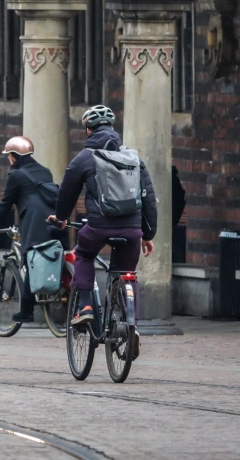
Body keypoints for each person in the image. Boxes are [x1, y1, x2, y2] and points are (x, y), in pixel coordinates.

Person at [49, 105, 157, 327]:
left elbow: (66, 194)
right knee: (127, 272)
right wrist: (147, 234)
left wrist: (61, 217)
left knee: (84, 255)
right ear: (112, 128)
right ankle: (131, 326)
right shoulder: (133, 158)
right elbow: (148, 197)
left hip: (98, 227)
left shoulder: (84, 158)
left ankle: (86, 307)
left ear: (88, 130)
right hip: (132, 229)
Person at [0, 136, 61, 324]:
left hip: (34, 223)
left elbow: (5, 204)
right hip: (54, 219)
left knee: (30, 260)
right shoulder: (44, 171)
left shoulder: (16, 175)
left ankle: (26, 311)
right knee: (52, 255)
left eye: (9, 156)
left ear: (13, 156)